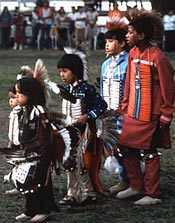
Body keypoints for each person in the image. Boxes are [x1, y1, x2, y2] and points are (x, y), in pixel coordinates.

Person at [116, 8, 175, 205]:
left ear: (141, 35)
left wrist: (166, 114)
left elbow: (168, 88)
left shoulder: (158, 58)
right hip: (133, 111)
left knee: (149, 151)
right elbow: (129, 83)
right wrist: (124, 106)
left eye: (130, 32)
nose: (127, 35)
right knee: (124, 145)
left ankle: (153, 193)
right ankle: (136, 185)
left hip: (151, 114)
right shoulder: (132, 53)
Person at [57, 48, 107, 205]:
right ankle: (72, 192)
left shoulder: (87, 89)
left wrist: (87, 116)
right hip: (69, 131)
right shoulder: (66, 90)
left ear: (76, 72)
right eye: (60, 71)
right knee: (68, 161)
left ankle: (87, 192)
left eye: (65, 71)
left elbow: (102, 105)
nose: (61, 75)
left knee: (80, 161)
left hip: (85, 132)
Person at [14, 62, 57, 222]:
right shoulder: (23, 110)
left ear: (30, 94)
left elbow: (48, 133)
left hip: (40, 153)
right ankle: (30, 209)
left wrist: (46, 152)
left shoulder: (39, 111)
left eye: (20, 93)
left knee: (40, 182)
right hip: (27, 152)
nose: (16, 96)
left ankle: (44, 209)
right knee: (26, 181)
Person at [100, 10, 129, 194]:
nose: (107, 45)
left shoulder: (129, 62)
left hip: (125, 114)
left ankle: (128, 180)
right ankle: (124, 178)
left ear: (122, 43)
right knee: (113, 147)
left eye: (110, 41)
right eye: (106, 42)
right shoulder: (105, 65)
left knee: (127, 148)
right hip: (108, 114)